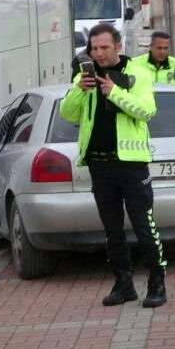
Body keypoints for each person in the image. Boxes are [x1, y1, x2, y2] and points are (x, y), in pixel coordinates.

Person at [60, 23, 167, 308]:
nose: (99, 53)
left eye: (104, 48)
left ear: (118, 47)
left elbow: (147, 111)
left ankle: (157, 283)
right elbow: (67, 113)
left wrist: (114, 92)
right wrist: (80, 91)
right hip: (99, 164)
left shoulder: (137, 73)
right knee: (112, 229)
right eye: (94, 48)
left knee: (144, 225)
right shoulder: (85, 76)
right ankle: (123, 284)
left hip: (131, 165)